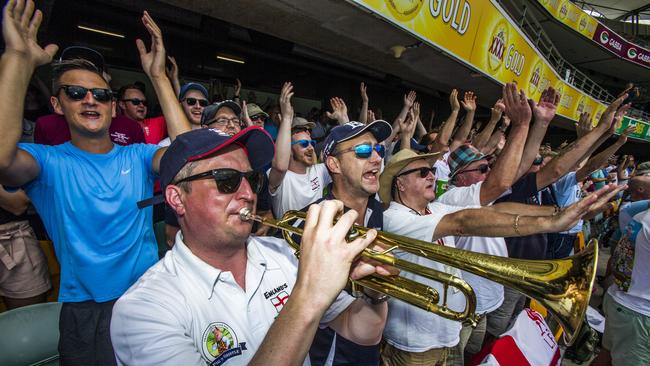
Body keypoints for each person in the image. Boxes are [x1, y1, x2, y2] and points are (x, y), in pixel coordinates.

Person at [0, 4, 190, 364]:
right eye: (76, 93)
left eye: (101, 94)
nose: (90, 99)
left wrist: (160, 78)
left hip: (148, 296)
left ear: (112, 106)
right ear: (57, 104)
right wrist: (17, 59)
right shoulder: (48, 161)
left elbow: (187, 156)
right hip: (86, 310)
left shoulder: (135, 156)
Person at [111, 126, 390, 365]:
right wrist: (310, 294)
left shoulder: (284, 255)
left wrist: (375, 293)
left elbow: (360, 330)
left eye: (253, 179)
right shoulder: (143, 310)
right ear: (176, 198)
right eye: (226, 180)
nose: (247, 194)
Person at [377, 147, 620, 366]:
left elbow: (497, 210)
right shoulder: (394, 218)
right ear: (400, 184)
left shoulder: (435, 208)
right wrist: (551, 221)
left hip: (448, 332)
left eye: (431, 170)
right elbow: (462, 222)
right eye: (422, 173)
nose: (431, 175)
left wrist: (560, 213)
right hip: (416, 342)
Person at [267, 82, 332, 218]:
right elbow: (280, 166)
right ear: (289, 150)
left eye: (312, 143)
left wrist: (344, 120)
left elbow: (346, 160)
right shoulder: (281, 179)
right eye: (303, 144)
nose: (310, 147)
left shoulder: (319, 171)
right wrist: (286, 119)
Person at [158, 82, 210, 147]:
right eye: (191, 101)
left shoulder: (215, 140)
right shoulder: (165, 145)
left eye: (203, 103)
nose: (198, 106)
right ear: (180, 105)